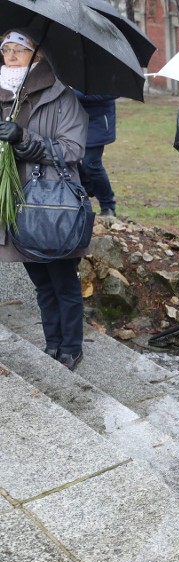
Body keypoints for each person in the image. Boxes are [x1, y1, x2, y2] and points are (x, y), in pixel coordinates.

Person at [0, 29, 88, 370]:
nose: (10, 56)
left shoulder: (61, 97)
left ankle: (72, 346)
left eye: (18, 50)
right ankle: (53, 344)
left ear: (36, 55)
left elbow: (73, 149)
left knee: (63, 281)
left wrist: (25, 138)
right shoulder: (4, 98)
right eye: (5, 50)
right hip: (14, 207)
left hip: (52, 206)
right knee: (40, 282)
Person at [73, 91, 117, 216]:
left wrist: (74, 93)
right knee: (70, 160)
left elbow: (111, 92)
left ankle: (108, 205)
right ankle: (87, 187)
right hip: (72, 119)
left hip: (97, 121)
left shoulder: (107, 73)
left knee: (91, 164)